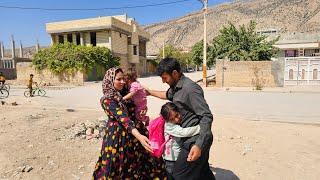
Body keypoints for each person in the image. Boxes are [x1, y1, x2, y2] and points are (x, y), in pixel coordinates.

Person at [146, 57, 215, 180]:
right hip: (189, 138)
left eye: (165, 78)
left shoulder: (190, 89)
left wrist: (198, 145)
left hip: (195, 140)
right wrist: (150, 92)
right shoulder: (176, 87)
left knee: (179, 175)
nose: (163, 81)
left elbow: (206, 116)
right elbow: (167, 95)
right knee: (202, 172)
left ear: (175, 73)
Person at [92, 67, 167, 179]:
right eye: (118, 79)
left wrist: (141, 110)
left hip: (136, 131)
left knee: (143, 163)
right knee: (118, 165)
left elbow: (137, 104)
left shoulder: (127, 92)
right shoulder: (107, 100)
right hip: (118, 136)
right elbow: (124, 119)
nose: (122, 82)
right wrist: (140, 137)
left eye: (123, 79)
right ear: (110, 80)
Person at [160, 102, 201, 180]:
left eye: (176, 115)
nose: (176, 119)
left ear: (178, 111)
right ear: (167, 120)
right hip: (170, 159)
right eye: (172, 119)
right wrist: (200, 128)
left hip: (175, 156)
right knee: (172, 176)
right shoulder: (169, 126)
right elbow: (184, 132)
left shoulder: (173, 123)